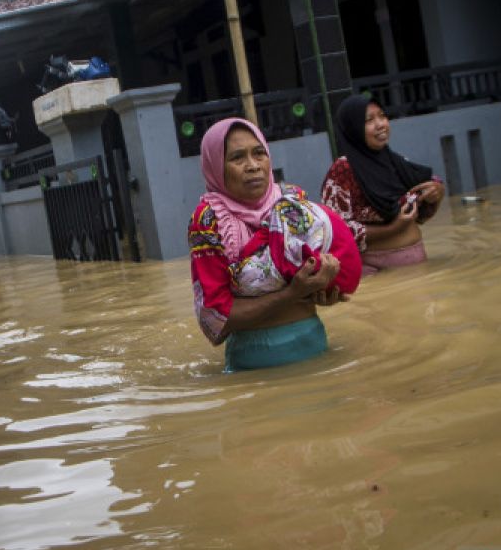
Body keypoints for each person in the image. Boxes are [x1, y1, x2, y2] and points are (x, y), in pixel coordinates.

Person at [188, 118, 361, 372]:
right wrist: (292, 294)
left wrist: (322, 290)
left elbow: (321, 270)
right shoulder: (207, 221)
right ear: (216, 167)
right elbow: (217, 320)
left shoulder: (293, 200)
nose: (253, 166)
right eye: (237, 158)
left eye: (259, 153)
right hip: (254, 366)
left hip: (313, 343)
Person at [321, 95, 445, 274]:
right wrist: (392, 229)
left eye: (382, 116)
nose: (381, 124)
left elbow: (420, 216)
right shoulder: (343, 170)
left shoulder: (396, 162)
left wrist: (436, 194)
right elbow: (336, 231)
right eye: (369, 120)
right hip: (374, 272)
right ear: (353, 128)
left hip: (417, 268)